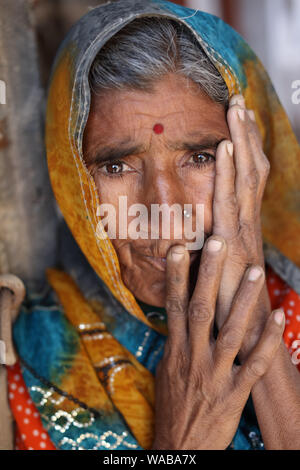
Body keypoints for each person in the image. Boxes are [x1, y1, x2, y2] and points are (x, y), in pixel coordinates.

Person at [3, 0, 300, 450]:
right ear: (71, 180)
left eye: (200, 158)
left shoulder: (291, 310)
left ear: (250, 161)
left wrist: (255, 319)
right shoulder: (31, 361)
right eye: (117, 167)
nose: (165, 211)